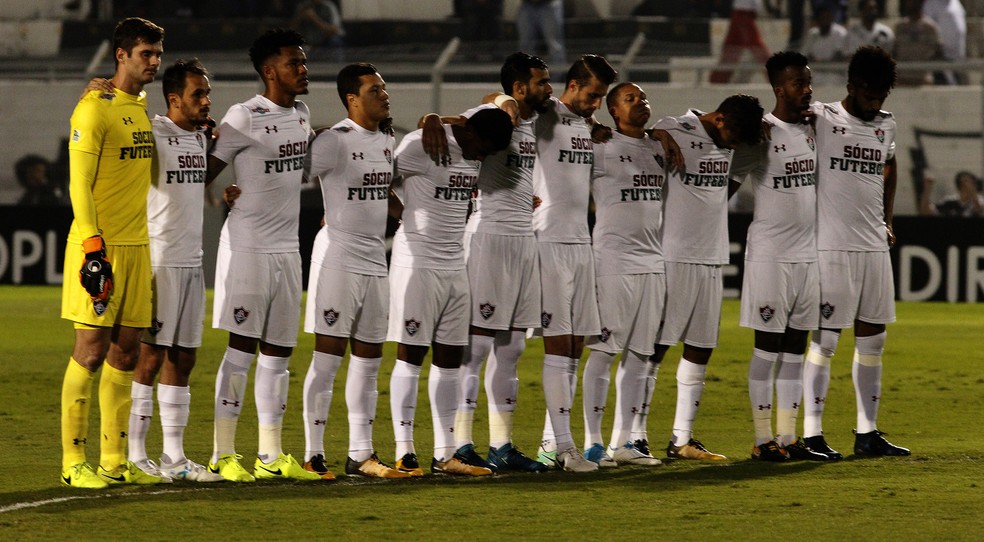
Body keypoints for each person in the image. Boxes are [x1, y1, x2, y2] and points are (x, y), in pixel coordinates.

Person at [206, 28, 320, 483]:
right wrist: (225, 191)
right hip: (249, 247)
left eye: (303, 61)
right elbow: (203, 170)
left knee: (279, 354)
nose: (303, 69)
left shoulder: (303, 114)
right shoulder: (243, 115)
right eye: (295, 62)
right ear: (270, 71)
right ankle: (223, 453)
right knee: (241, 351)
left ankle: (270, 454)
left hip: (287, 251)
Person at [59, 17, 165, 489]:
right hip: (97, 248)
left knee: (127, 352)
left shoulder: (139, 107)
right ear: (121, 54)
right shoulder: (92, 110)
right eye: (146, 53)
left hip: (138, 247)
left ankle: (114, 460)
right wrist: (92, 245)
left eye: (158, 54)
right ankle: (72, 462)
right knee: (90, 349)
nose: (155, 62)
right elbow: (78, 184)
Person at [386, 108, 513, 477]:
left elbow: (493, 104)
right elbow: (376, 183)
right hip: (417, 264)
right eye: (483, 149)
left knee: (450, 361)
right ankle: (404, 451)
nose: (483, 158)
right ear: (471, 134)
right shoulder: (420, 145)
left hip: (456, 266)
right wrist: (403, 215)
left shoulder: (465, 139)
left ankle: (446, 453)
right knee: (410, 356)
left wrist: (433, 116)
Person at [118, 59, 225, 482]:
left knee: (184, 359)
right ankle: (136, 453)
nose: (206, 100)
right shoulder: (152, 134)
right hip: (158, 260)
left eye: (207, 93)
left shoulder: (200, 138)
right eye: (198, 94)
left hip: (192, 261)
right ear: (174, 99)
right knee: (149, 357)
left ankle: (175, 458)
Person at [302, 63, 408, 479]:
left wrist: (409, 215)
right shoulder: (332, 141)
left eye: (384, 88)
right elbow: (290, 172)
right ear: (352, 99)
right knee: (327, 361)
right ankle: (313, 454)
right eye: (375, 90)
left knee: (368, 362)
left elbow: (382, 190)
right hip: (339, 259)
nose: (385, 95)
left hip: (373, 262)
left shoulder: (386, 138)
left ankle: (360, 453)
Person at [805, 45, 910, 458]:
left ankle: (867, 433)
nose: (876, 103)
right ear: (852, 86)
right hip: (832, 248)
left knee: (873, 343)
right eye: (869, 95)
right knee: (825, 343)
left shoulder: (886, 124)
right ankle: (812, 433)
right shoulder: (822, 118)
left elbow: (890, 165)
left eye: (882, 96)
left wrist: (888, 219)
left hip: (873, 248)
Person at [449, 52, 552, 473]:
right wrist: (496, 104)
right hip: (488, 238)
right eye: (542, 82)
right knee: (474, 348)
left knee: (512, 347)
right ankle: (459, 445)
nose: (549, 88)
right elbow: (448, 127)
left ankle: (502, 445)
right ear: (519, 87)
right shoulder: (490, 115)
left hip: (523, 241)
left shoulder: (534, 121)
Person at [647, 93, 764, 461]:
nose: (734, 147)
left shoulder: (732, 142)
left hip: (712, 257)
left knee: (701, 347)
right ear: (719, 120)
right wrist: (658, 135)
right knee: (655, 348)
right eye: (732, 139)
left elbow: (721, 190)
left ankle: (682, 439)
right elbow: (636, 137)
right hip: (673, 256)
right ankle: (632, 436)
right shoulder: (674, 128)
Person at [733, 51, 831, 461]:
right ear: (778, 88)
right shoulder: (761, 134)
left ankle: (789, 439)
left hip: (807, 255)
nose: (806, 89)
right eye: (798, 83)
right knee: (767, 347)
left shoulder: (813, 128)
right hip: (771, 255)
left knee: (795, 347)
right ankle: (761, 440)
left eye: (808, 81)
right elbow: (724, 186)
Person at [522, 55, 616, 473]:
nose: (598, 103)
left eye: (602, 97)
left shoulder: (585, 125)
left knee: (575, 348)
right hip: (549, 243)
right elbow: (499, 99)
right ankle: (564, 448)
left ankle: (550, 445)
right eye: (593, 94)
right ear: (574, 85)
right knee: (559, 347)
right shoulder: (546, 113)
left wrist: (594, 125)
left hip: (581, 244)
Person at [579, 81, 666, 467]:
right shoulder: (600, 144)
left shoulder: (660, 146)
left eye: (643, 98)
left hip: (653, 262)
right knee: (603, 352)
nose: (641, 103)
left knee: (641, 356)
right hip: (613, 262)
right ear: (613, 110)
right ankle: (592, 442)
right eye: (631, 99)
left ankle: (625, 442)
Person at [709, 0, 770, 84]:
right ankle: (776, 77)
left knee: (731, 48)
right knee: (757, 47)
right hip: (744, 14)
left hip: (741, 13)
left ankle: (717, 79)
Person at [893, 0, 943, 86]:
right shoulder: (900, 27)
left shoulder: (930, 27)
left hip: (923, 79)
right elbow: (894, 52)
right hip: (903, 80)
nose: (912, 3)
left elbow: (939, 52)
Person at [922, 0, 966, 85]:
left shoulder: (956, 3)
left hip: (958, 60)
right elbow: (927, 29)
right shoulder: (931, 4)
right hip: (941, 61)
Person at [802, 4, 848, 86]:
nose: (825, 21)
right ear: (817, 21)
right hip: (816, 76)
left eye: (827, 17)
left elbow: (842, 57)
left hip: (836, 75)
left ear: (831, 18)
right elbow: (804, 56)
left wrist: (820, 61)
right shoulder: (812, 34)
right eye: (822, 18)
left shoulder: (840, 33)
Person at [517, 0, 566, 66]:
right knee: (526, 45)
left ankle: (558, 75)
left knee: (554, 45)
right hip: (527, 4)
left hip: (550, 4)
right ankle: (529, 74)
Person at [919, 170, 984, 217]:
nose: (970, 184)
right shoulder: (949, 201)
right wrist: (927, 189)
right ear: (960, 185)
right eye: (966, 181)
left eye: (971, 182)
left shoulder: (979, 199)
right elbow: (926, 212)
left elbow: (979, 209)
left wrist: (973, 193)